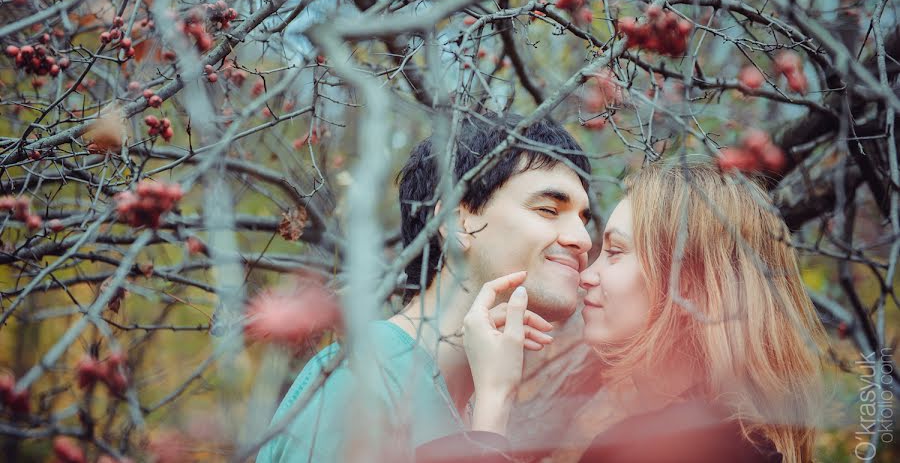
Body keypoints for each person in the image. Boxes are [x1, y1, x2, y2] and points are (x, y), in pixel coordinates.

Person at [256, 112, 593, 462]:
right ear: (457, 222)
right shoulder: (360, 382)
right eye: (549, 209)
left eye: (583, 218)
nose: (582, 239)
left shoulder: (465, 405)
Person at [442, 157, 827, 463]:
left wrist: (493, 405)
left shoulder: (644, 449)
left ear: (688, 283)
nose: (586, 275)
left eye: (614, 252)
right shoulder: (750, 440)